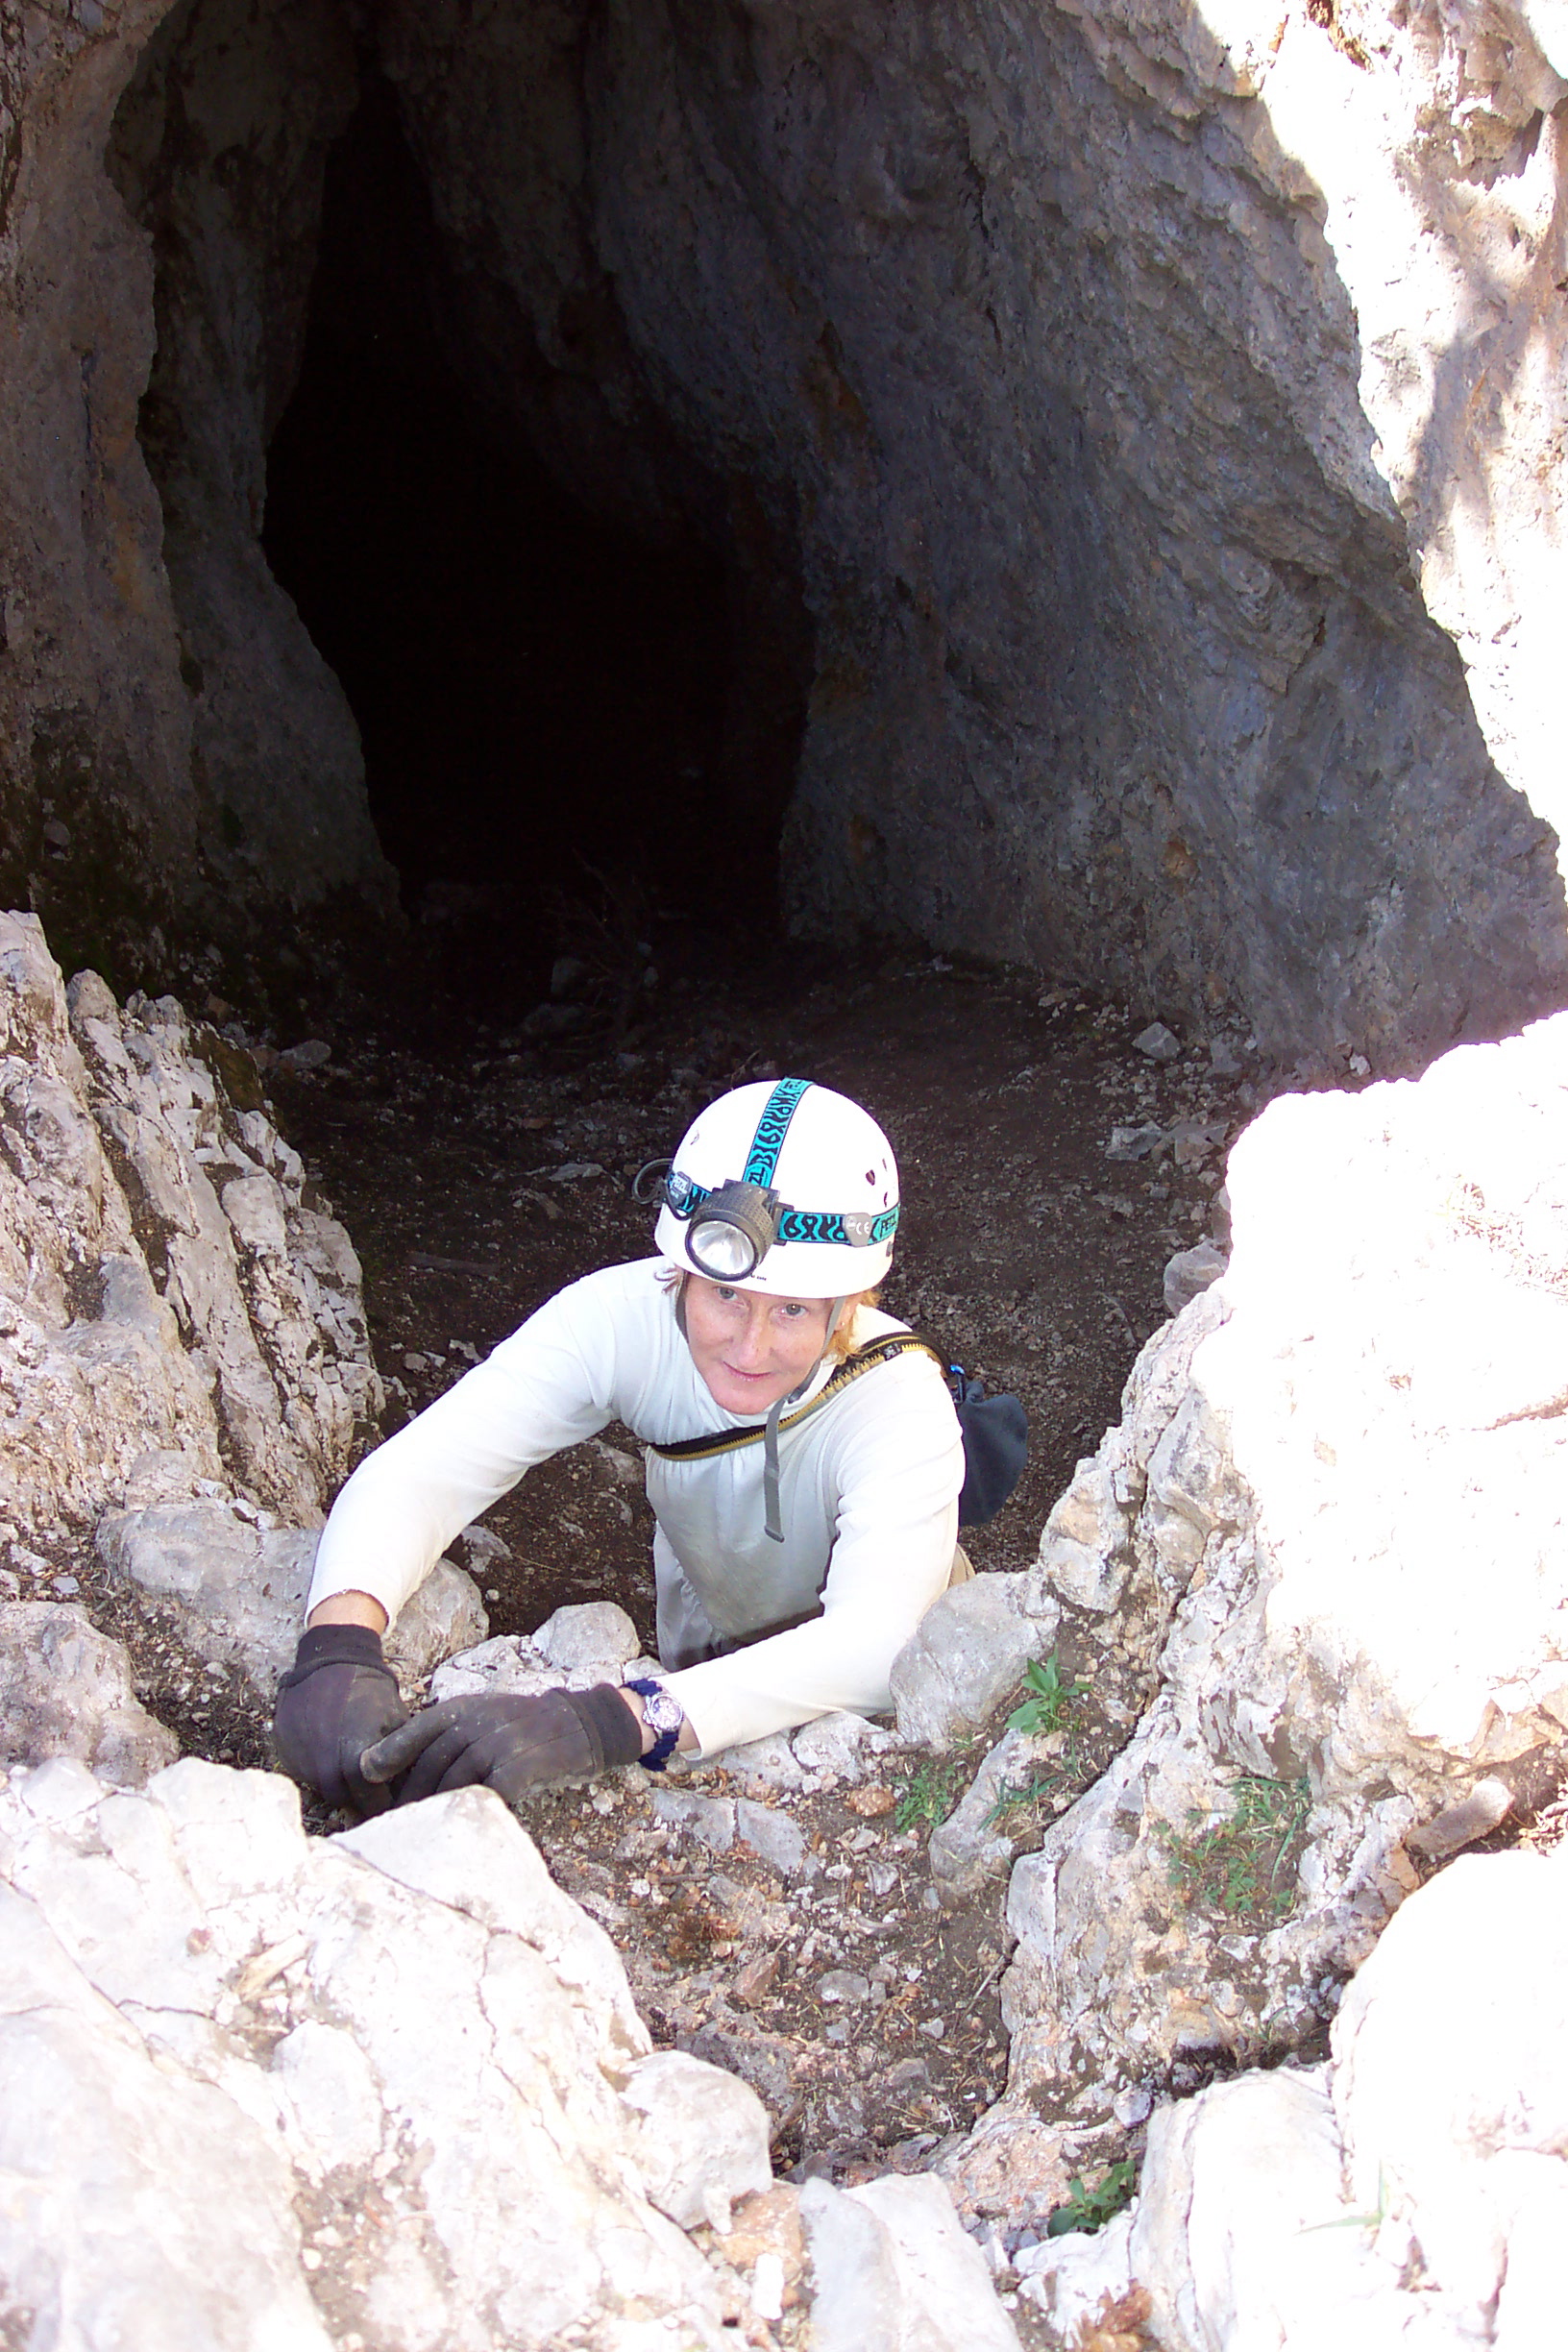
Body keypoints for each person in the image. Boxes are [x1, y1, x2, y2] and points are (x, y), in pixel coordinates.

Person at [270, 1076, 966, 1816]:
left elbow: (876, 1643)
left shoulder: (896, 1401)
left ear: (848, 1305)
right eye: (725, 1296)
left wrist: (613, 1722)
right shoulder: (619, 1318)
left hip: (892, 1720)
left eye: (793, 1310)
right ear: (683, 1274)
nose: (750, 1347)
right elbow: (427, 1468)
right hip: (705, 1641)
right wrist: (338, 1642)